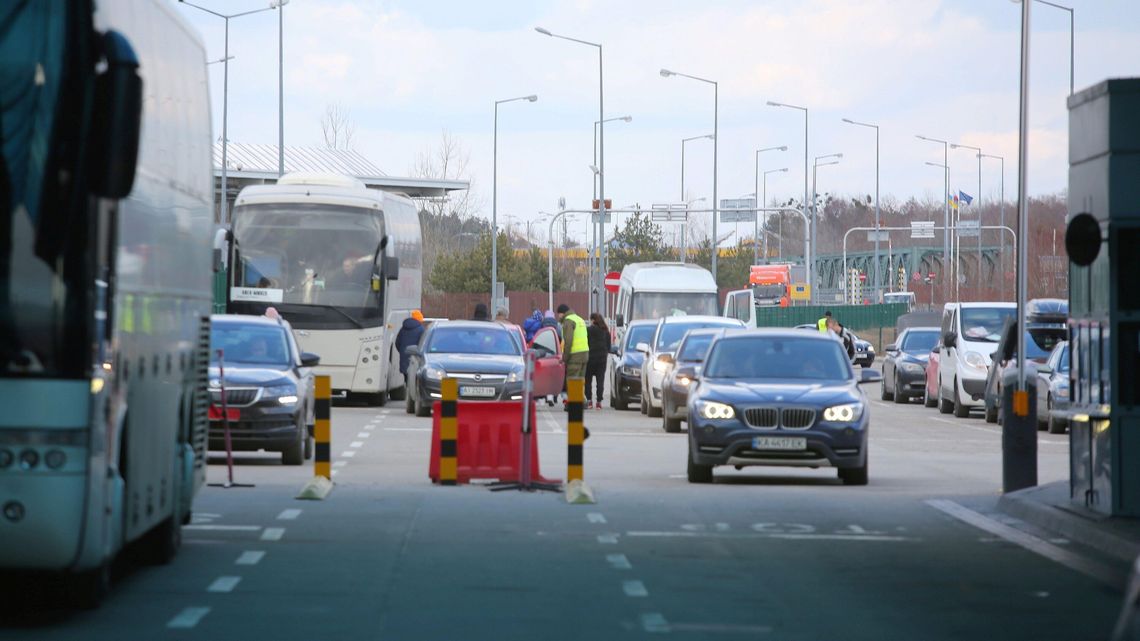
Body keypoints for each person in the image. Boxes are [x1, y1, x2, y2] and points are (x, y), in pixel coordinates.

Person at [556, 303, 590, 403]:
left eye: (559, 314)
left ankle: (575, 407)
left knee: (573, 380)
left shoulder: (568, 321)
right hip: (584, 354)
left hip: (575, 356)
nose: (559, 317)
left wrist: (565, 358)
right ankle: (581, 401)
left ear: (562, 313)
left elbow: (568, 340)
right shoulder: (580, 319)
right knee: (579, 381)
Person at [585, 313, 611, 410]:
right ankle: (599, 402)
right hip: (601, 359)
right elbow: (608, 347)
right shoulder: (606, 331)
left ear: (592, 320)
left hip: (590, 358)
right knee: (600, 380)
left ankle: (589, 401)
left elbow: (585, 343)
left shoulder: (588, 330)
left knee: (588, 381)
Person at [395, 310, 425, 378]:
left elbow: (397, 343)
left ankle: (407, 387)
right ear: (419, 319)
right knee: (415, 379)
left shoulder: (403, 328)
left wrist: (402, 351)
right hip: (415, 359)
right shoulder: (421, 329)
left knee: (406, 378)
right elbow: (423, 344)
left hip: (404, 357)